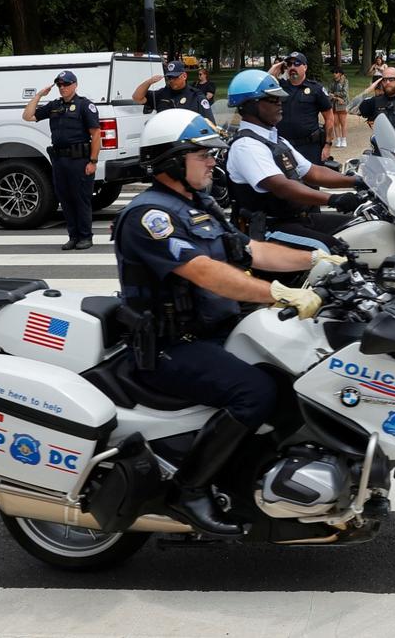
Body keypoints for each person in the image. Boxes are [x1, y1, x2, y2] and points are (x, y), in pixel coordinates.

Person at [114, 109, 330, 535]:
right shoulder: (149, 216)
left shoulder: (197, 204)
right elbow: (204, 271)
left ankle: (257, 479)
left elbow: (249, 251)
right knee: (254, 391)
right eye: (203, 154)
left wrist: (323, 260)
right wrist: (278, 293)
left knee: (295, 373)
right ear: (172, 160)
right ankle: (188, 490)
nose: (213, 161)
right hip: (168, 347)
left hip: (212, 331)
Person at [223, 70, 364, 250]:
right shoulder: (246, 146)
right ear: (250, 105)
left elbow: (313, 172)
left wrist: (358, 181)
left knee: (362, 227)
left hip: (296, 219)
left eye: (280, 99)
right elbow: (282, 187)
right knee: (333, 250)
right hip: (268, 228)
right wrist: (333, 200)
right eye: (272, 99)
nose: (280, 103)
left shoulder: (275, 140)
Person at [21, 70, 101, 250]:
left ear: (75, 85)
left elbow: (96, 134)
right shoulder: (54, 106)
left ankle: (85, 237)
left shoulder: (85, 106)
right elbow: (28, 116)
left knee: (80, 199)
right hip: (59, 160)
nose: (62, 88)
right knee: (65, 199)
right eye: (60, 85)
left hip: (79, 160)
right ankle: (73, 236)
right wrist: (40, 95)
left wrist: (93, 161)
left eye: (66, 84)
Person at [268, 52, 334, 165]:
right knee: (284, 181)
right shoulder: (279, 87)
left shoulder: (316, 89)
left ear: (305, 67)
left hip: (309, 147)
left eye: (297, 63)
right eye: (289, 64)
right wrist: (275, 67)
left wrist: (327, 145)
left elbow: (329, 118)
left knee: (311, 181)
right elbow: (264, 84)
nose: (293, 67)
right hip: (283, 146)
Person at [133, 59, 217, 124]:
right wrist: (149, 82)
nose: (171, 80)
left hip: (186, 142)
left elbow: (210, 123)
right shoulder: (162, 94)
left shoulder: (196, 96)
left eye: (175, 77)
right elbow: (137, 97)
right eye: (169, 78)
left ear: (184, 76)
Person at [327, 66, 350, 148]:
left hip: (342, 104)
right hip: (334, 104)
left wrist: (334, 94)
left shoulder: (345, 81)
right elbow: (329, 92)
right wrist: (336, 97)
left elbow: (344, 93)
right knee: (335, 123)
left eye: (336, 72)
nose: (334, 74)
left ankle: (344, 139)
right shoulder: (332, 82)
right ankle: (338, 139)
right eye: (333, 72)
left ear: (340, 73)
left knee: (343, 123)